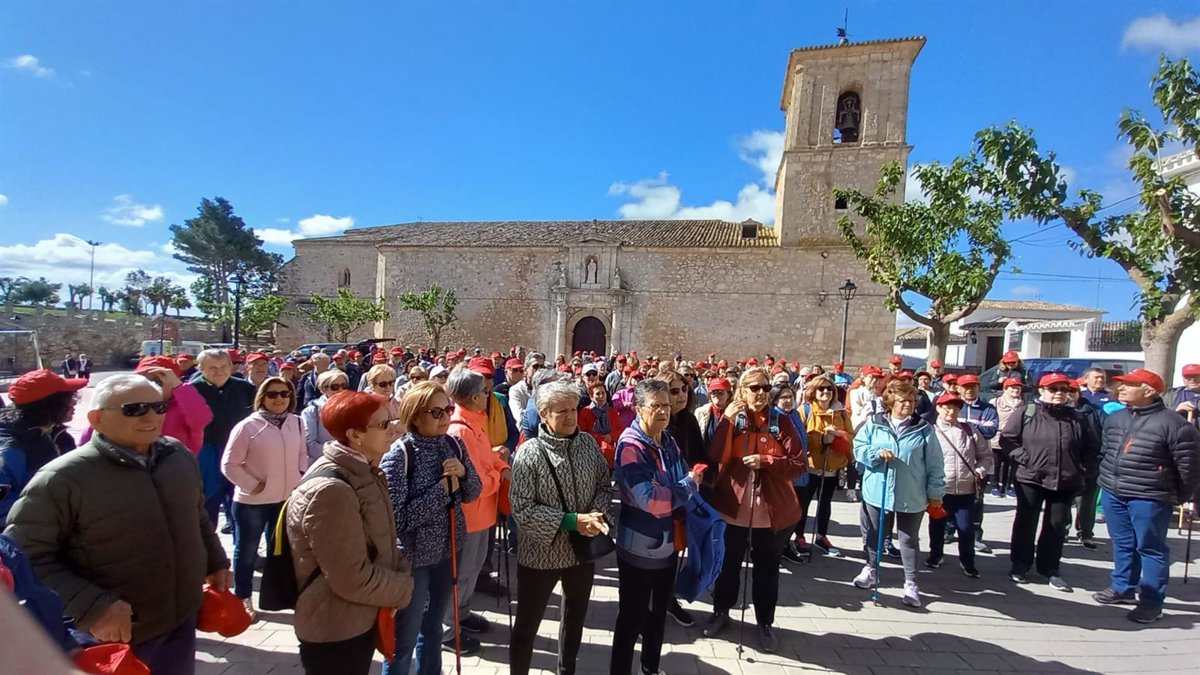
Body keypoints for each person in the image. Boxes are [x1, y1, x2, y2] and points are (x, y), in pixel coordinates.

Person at [5, 373, 231, 674]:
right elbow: (23, 556)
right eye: (134, 409)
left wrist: (215, 561)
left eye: (158, 407)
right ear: (97, 419)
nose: (151, 416)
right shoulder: (62, 478)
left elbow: (197, 514)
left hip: (180, 620)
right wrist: (93, 606)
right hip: (115, 637)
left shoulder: (178, 455)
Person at [287, 391, 415, 675]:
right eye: (383, 424)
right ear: (355, 435)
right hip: (336, 627)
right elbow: (350, 577)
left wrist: (400, 569)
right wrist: (404, 588)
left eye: (393, 420)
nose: (393, 428)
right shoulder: (332, 491)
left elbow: (381, 541)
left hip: (359, 616)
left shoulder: (364, 470)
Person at [509, 380, 612, 675]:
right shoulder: (529, 454)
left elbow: (604, 487)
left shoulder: (588, 445)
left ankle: (566, 669)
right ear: (543, 414)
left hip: (582, 552)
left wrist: (596, 515)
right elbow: (522, 509)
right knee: (527, 625)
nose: (570, 417)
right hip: (541, 556)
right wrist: (571, 522)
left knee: (575, 618)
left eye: (573, 410)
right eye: (560, 411)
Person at [702, 368, 805, 652]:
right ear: (742, 391)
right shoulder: (732, 418)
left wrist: (767, 461)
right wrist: (727, 421)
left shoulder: (780, 422)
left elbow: (798, 465)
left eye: (765, 388)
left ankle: (765, 623)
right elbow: (715, 457)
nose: (760, 393)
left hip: (772, 511)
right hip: (733, 508)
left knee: (767, 569)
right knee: (728, 564)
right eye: (754, 388)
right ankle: (721, 612)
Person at [380, 381, 479, 675]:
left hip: (449, 548)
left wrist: (462, 475)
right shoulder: (399, 455)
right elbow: (398, 519)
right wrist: (441, 490)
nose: (445, 417)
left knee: (434, 628)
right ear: (415, 415)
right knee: (405, 636)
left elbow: (473, 492)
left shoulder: (454, 444)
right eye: (436, 412)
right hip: (413, 556)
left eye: (447, 409)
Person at [611, 378, 705, 674]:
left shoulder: (669, 441)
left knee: (658, 614)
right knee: (631, 617)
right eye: (656, 406)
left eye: (667, 405)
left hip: (667, 544)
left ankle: (650, 667)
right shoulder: (630, 446)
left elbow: (676, 477)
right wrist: (687, 486)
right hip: (638, 545)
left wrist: (676, 486)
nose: (664, 411)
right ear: (639, 408)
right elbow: (650, 499)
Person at [1092, 369, 1200, 623]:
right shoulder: (1115, 418)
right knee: (1122, 543)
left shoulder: (1175, 425)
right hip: (1113, 491)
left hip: (1150, 496)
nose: (1121, 388)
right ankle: (1123, 588)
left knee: (1150, 548)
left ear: (1149, 391)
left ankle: (1152, 602)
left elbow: (1189, 466)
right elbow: (1106, 451)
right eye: (1121, 384)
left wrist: (1179, 495)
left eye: (1129, 384)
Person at [1000, 372, 1098, 591]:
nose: (1059, 394)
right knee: (1026, 521)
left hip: (1065, 480)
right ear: (1041, 391)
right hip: (1030, 478)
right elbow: (1007, 440)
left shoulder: (1078, 418)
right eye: (1053, 389)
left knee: (1056, 525)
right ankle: (1020, 564)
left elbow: (1092, 448)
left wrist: (1082, 469)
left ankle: (1049, 568)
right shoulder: (1027, 412)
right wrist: (1024, 458)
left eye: (1064, 389)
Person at [851, 380, 945, 608]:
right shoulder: (874, 423)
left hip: (910, 493)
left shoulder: (923, 428)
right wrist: (875, 453)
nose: (909, 405)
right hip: (878, 489)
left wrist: (935, 493)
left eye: (912, 401)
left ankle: (911, 582)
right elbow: (858, 447)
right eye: (903, 401)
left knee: (908, 539)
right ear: (891, 402)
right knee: (875, 533)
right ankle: (871, 568)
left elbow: (935, 464)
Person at [220, 376, 307, 620]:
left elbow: (302, 453)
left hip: (285, 499)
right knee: (246, 551)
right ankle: (243, 597)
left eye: (284, 393)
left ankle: (278, 596)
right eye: (272, 394)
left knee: (279, 550)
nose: (279, 399)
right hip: (252, 502)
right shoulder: (247, 426)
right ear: (262, 397)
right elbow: (229, 464)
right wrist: (252, 485)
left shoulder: (297, 423)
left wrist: (299, 476)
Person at [443, 366, 508, 654]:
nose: (488, 396)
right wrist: (499, 474)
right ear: (471, 397)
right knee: (462, 572)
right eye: (484, 392)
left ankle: (463, 613)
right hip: (470, 514)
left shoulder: (476, 422)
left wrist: (500, 462)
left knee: (474, 567)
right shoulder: (460, 430)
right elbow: (476, 480)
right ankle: (447, 629)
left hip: (483, 513)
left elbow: (486, 460)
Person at [0, 370, 84, 525]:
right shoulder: (9, 449)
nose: (74, 402)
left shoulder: (54, 434)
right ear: (50, 404)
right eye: (69, 398)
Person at [84, 355, 213, 455]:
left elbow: (202, 419)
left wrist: (179, 386)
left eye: (159, 379)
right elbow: (92, 432)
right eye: (144, 379)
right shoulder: (123, 402)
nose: (150, 385)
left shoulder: (183, 407)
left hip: (170, 472)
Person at [191, 348, 257, 532]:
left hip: (240, 450)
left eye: (223, 366)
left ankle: (241, 551)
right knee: (208, 501)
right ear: (201, 368)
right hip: (207, 451)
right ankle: (207, 550)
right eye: (212, 367)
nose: (218, 371)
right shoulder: (192, 390)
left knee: (239, 501)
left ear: (230, 366)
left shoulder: (246, 388)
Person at [927, 392, 991, 577]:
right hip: (941, 488)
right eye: (947, 407)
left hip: (965, 488)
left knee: (965, 528)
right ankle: (935, 555)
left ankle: (968, 561)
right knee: (937, 525)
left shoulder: (969, 430)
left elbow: (985, 456)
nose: (951, 412)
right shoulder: (931, 431)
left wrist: (979, 472)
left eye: (956, 408)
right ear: (938, 408)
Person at [793, 374, 854, 559]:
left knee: (825, 503)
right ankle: (799, 536)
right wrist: (821, 439)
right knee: (803, 503)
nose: (826, 392)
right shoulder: (805, 410)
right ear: (813, 391)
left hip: (832, 466)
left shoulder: (841, 412)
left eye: (829, 389)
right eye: (821, 389)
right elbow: (799, 437)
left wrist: (838, 434)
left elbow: (851, 435)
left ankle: (821, 535)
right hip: (810, 466)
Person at [953, 374, 999, 554]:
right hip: (954, 462)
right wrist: (973, 426)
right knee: (949, 499)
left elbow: (990, 431)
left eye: (973, 386)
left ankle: (976, 536)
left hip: (979, 462)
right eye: (965, 386)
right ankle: (949, 530)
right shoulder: (954, 405)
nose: (969, 390)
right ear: (958, 388)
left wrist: (965, 425)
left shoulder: (988, 408)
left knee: (977, 501)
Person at [1069, 379, 1105, 550]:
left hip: (1090, 463)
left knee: (1087, 502)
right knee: (1064, 502)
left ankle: (1086, 533)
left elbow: (1106, 435)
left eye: (1071, 390)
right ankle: (1062, 530)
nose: (1067, 394)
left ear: (1078, 392)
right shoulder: (1057, 411)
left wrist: (1098, 458)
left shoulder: (1094, 412)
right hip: (1065, 465)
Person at [301, 369, 350, 464]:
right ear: (324, 389)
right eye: (335, 387)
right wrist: (340, 453)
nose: (340, 390)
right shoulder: (312, 411)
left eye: (343, 386)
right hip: (324, 464)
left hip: (349, 464)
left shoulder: (351, 408)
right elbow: (310, 446)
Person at [988, 377, 1025, 499]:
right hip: (998, 437)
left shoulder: (1024, 404)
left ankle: (1008, 486)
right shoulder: (995, 401)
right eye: (1013, 387)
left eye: (1018, 388)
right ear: (1005, 389)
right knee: (996, 463)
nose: (1016, 390)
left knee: (1012, 465)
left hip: (1016, 439)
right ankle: (994, 486)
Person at [578, 379, 623, 469]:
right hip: (591, 453)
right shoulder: (585, 412)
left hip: (611, 454)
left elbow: (619, 429)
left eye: (603, 393)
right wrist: (599, 438)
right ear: (591, 396)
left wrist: (611, 436)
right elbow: (582, 432)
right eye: (598, 394)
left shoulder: (612, 412)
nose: (601, 396)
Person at [694, 376, 732, 453]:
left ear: (728, 394)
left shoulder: (735, 412)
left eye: (720, 392)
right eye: (713, 392)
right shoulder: (701, 412)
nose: (716, 395)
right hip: (706, 458)